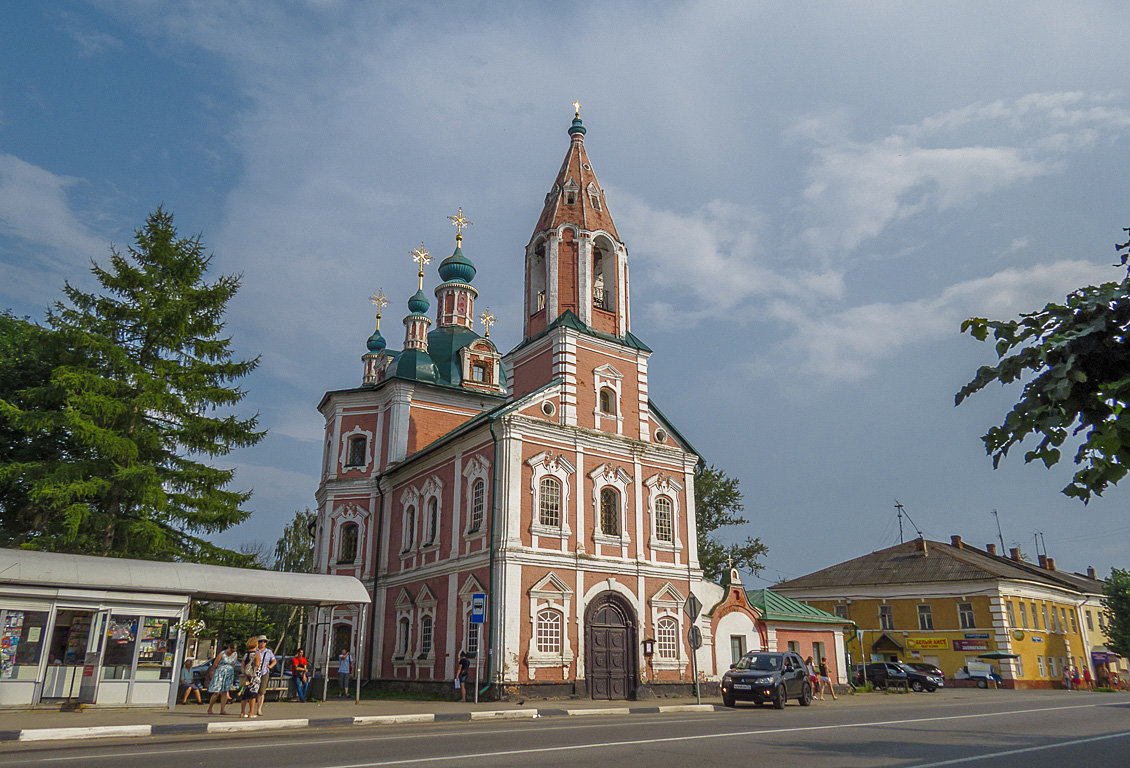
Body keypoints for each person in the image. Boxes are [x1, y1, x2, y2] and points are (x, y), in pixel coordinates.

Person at [206, 642, 239, 715]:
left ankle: (222, 709)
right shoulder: (222, 653)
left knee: (225, 691)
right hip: (220, 673)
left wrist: (230, 672)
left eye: (234, 650)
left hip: (229, 673)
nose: (232, 652)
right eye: (231, 650)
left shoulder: (235, 654)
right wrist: (213, 674)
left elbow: (234, 664)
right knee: (217, 692)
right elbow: (215, 664)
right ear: (229, 647)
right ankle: (210, 708)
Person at [239, 637, 263, 718]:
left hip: (246, 676)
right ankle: (251, 712)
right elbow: (257, 665)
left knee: (245, 694)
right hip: (254, 676)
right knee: (253, 694)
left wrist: (245, 673)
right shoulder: (257, 654)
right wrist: (253, 673)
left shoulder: (246, 654)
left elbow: (242, 665)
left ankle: (242, 712)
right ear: (256, 645)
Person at [254, 635, 277, 716]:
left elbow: (274, 660)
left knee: (262, 691)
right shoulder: (255, 650)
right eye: (260, 641)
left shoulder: (269, 652)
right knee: (253, 690)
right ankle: (251, 709)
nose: (262, 643)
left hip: (264, 672)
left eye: (264, 641)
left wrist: (270, 666)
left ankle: (259, 709)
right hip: (255, 673)